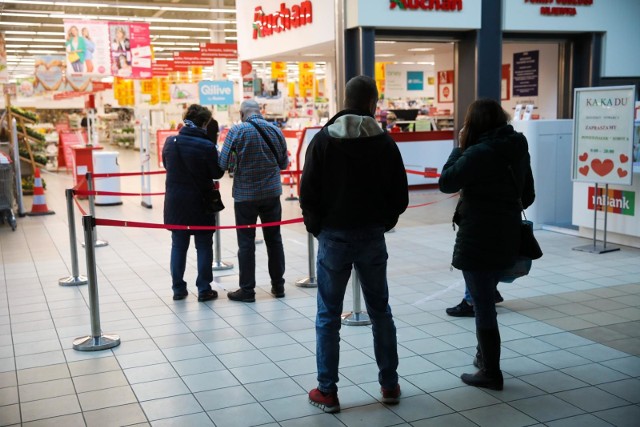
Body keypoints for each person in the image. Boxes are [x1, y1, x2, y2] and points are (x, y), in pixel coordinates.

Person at [300, 75, 409, 413]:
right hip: (372, 237)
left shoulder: (322, 141)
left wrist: (319, 229)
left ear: (343, 100)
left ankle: (327, 392)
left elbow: (308, 193)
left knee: (327, 315)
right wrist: (383, 222)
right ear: (372, 104)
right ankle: (389, 385)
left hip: (334, 237)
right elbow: (400, 195)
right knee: (381, 312)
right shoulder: (385, 143)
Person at [438, 99, 535, 391]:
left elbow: (446, 181)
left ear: (474, 124)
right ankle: (483, 357)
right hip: (507, 234)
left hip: (479, 236)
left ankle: (492, 372)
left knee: (482, 306)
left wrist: (458, 147)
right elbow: (527, 195)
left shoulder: (478, 152)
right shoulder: (517, 147)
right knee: (485, 299)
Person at [218, 100, 288, 302]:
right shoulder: (275, 131)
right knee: (274, 240)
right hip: (271, 195)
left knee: (246, 243)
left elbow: (222, 163)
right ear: (260, 112)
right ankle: (278, 286)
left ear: (241, 113)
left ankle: (247, 290)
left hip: (245, 197)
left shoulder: (237, 131)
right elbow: (283, 163)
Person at [163, 104, 225, 302]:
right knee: (204, 245)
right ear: (205, 123)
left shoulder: (170, 142)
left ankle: (178, 289)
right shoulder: (207, 146)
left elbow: (167, 166)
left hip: (176, 201)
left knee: (178, 245)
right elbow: (216, 173)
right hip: (201, 201)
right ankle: (204, 289)